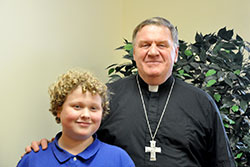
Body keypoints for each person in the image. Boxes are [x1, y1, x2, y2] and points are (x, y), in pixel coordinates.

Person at [23, 17, 236, 167]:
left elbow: (222, 161)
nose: (153, 52)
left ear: (176, 52)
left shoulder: (201, 103)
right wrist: (45, 149)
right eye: (145, 45)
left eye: (162, 45)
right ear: (134, 52)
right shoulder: (106, 97)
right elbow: (78, 138)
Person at [17, 69, 135, 167]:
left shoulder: (119, 160)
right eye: (77, 106)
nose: (86, 115)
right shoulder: (33, 160)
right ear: (59, 109)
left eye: (93, 108)